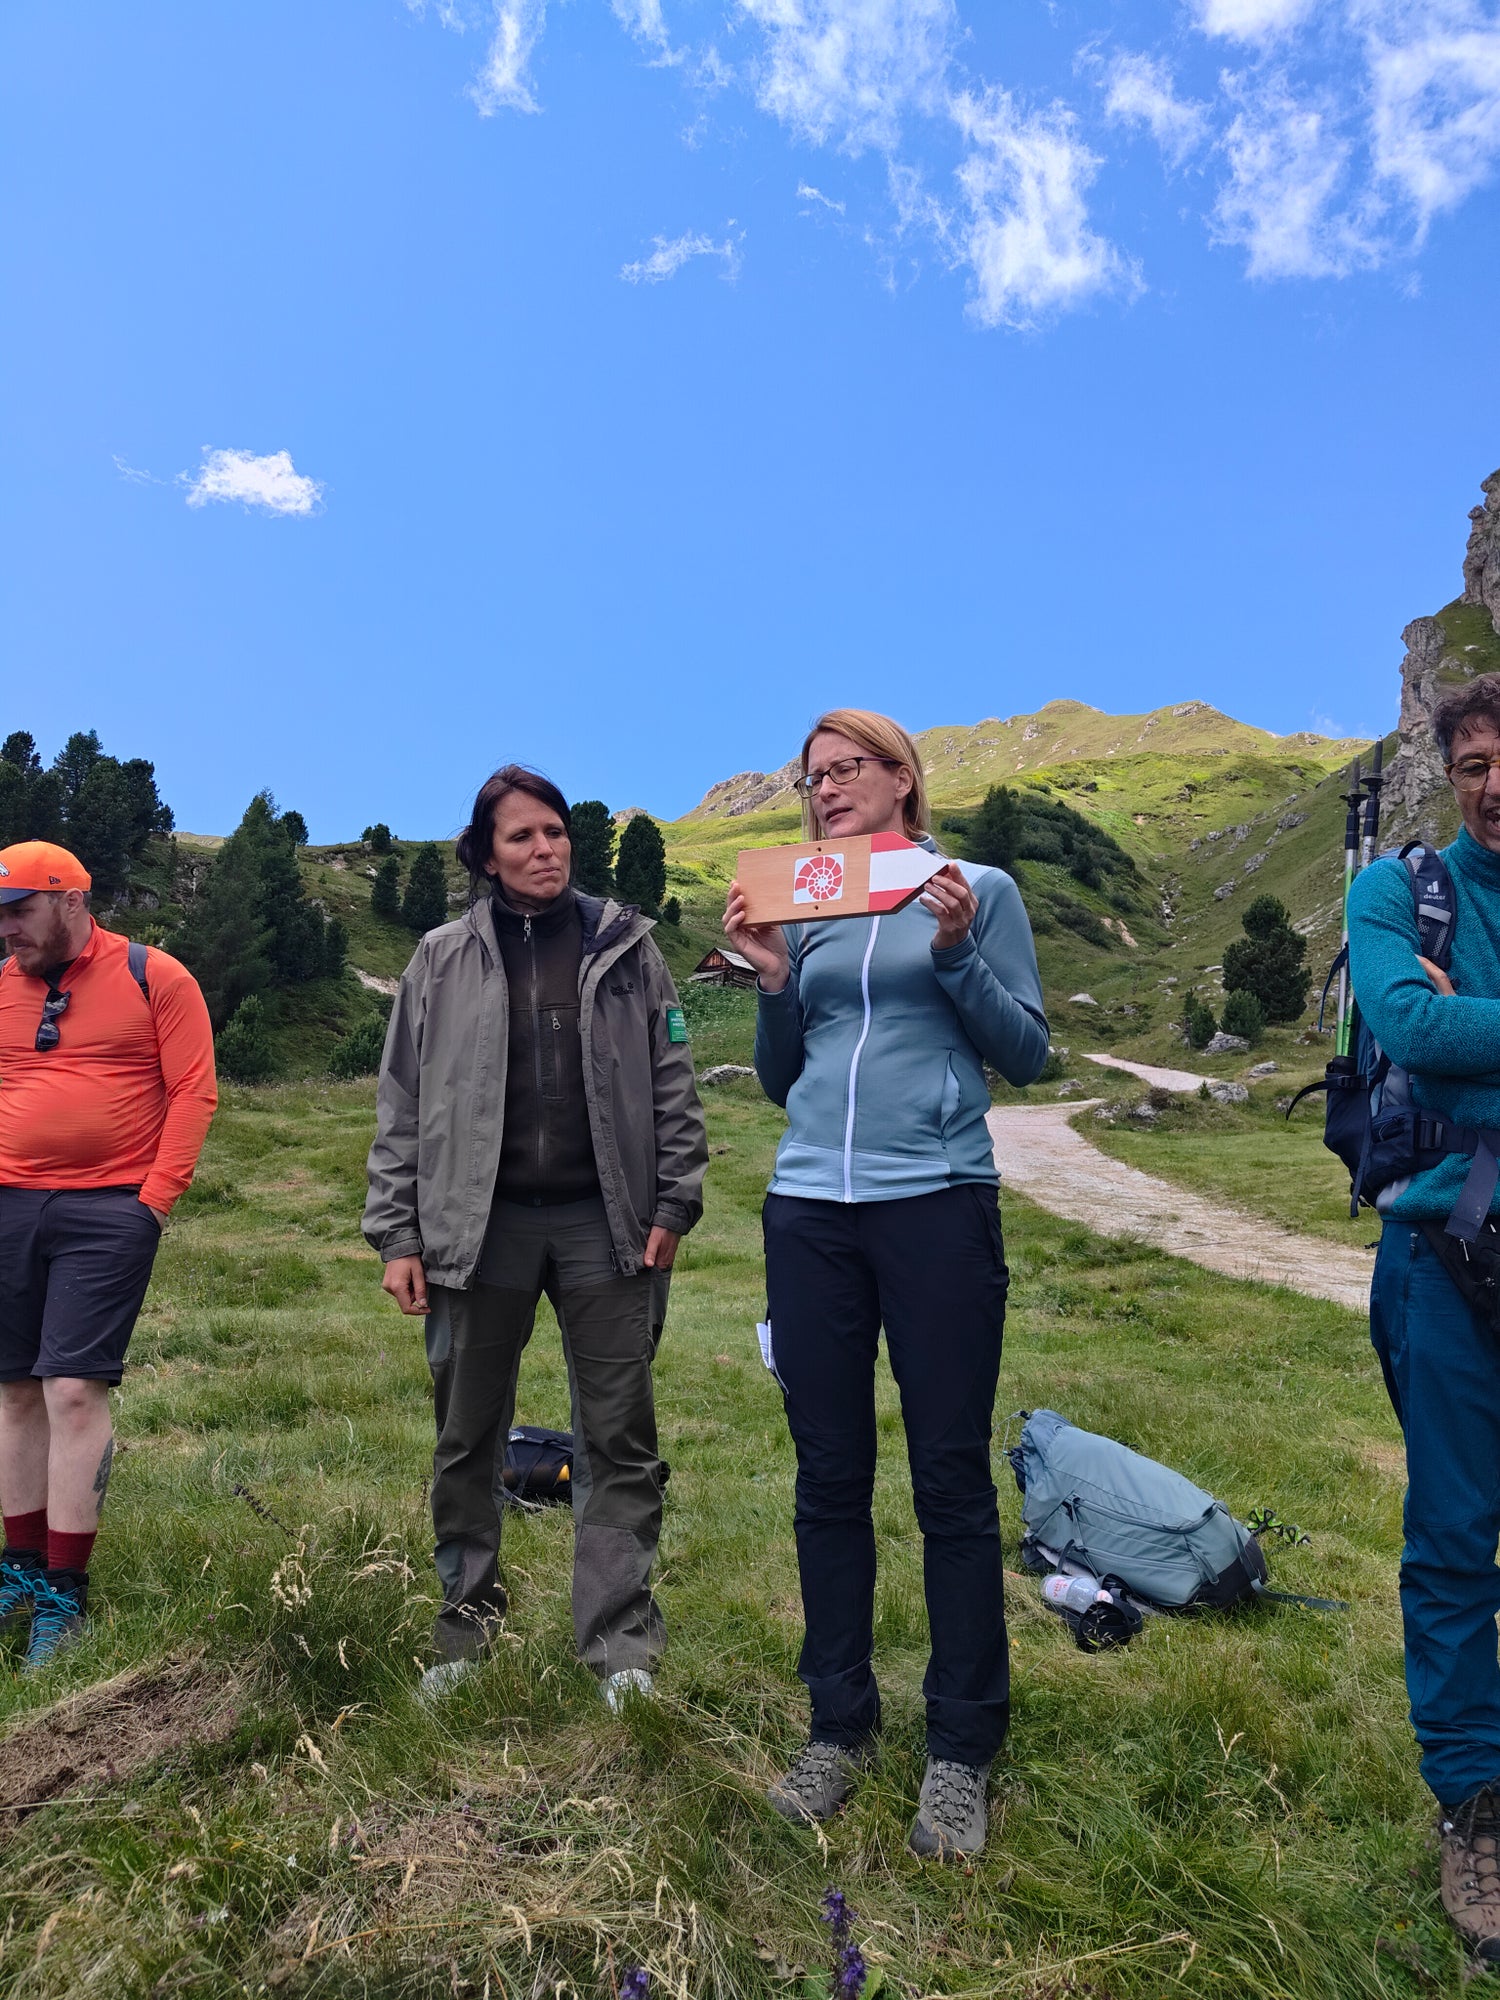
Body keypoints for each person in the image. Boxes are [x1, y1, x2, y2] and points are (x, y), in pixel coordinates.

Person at [723, 709, 1048, 1859]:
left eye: (846, 769)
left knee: (949, 1477)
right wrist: (770, 979)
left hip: (938, 1201)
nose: (825, 790)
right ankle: (838, 1724)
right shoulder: (806, 901)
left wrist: (956, 953)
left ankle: (960, 1748)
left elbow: (1028, 1052)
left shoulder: (977, 887)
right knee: (828, 1474)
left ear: (902, 780)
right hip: (810, 1206)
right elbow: (780, 1078)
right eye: (812, 778)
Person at [364, 767, 707, 1707]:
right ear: (484, 853)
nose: (544, 849)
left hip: (610, 1229)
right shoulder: (438, 960)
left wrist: (674, 1203)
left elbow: (673, 1081)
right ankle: (463, 1633)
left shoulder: (627, 948)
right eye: (520, 837)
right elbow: (400, 1105)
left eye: (554, 832)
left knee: (619, 1440)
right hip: (477, 1232)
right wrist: (397, 1232)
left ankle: (620, 1647)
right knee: (466, 1437)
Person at [1348, 673, 1500, 1962]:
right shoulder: (1400, 893)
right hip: (1443, 1256)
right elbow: (1408, 1022)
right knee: (1455, 1536)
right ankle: (1476, 1809)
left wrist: (1474, 1026)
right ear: (1449, 774)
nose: (1495, 782)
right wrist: (1444, 1026)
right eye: (1474, 763)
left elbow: (1459, 1032)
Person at [0, 840, 217, 1671]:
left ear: (69, 900)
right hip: (10, 1206)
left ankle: (65, 1592)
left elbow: (194, 1089)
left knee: (73, 1393)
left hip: (109, 1210)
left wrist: (151, 1205)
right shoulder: (5, 983)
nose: (8, 929)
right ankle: (17, 1570)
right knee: (15, 1389)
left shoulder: (154, 976)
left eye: (19, 910)